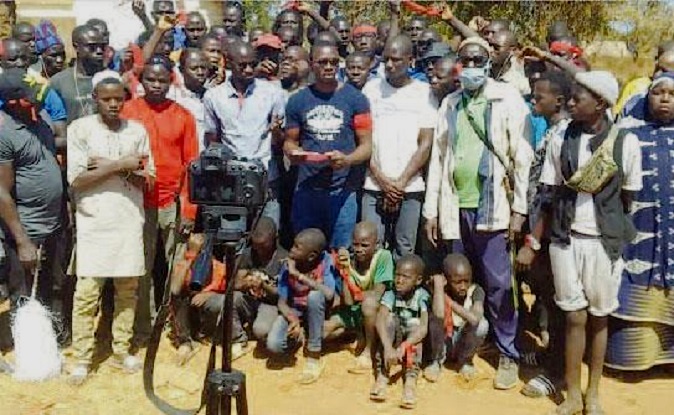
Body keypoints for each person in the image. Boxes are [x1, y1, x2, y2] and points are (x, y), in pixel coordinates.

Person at [424, 37, 533, 390]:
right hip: (456, 209)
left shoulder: (508, 99)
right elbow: (439, 161)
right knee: (460, 284)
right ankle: (455, 350)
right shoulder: (451, 104)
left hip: (494, 208)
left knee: (500, 285)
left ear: (488, 63)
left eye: (478, 60)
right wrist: (431, 211)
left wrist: (519, 211)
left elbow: (523, 158)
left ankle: (507, 353)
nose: (471, 66)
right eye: (465, 60)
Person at [532, 71, 642, 415]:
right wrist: (535, 240)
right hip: (565, 241)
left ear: (600, 104)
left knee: (599, 318)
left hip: (602, 244)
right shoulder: (560, 137)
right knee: (574, 317)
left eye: (579, 98)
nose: (572, 102)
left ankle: (594, 393)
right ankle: (573, 393)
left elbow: (629, 199)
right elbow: (548, 195)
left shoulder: (625, 143)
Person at [66, 73, 153, 385]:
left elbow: (147, 178)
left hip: (128, 218)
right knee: (87, 294)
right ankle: (82, 357)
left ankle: (121, 349)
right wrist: (121, 165)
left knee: (127, 291)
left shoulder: (137, 131)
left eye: (119, 98)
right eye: (107, 99)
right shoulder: (81, 129)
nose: (114, 104)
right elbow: (76, 179)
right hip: (94, 222)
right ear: (95, 99)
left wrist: (106, 165)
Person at [120, 55, 199, 346]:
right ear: (141, 81)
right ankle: (143, 330)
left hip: (173, 203)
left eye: (161, 80)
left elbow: (192, 166)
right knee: (140, 268)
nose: (155, 85)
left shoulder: (183, 116)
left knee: (178, 269)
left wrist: (189, 211)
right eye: (150, 79)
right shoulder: (128, 112)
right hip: (137, 202)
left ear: (171, 81)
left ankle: (180, 331)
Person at [605, 73, 674, 371]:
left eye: (672, 94)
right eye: (659, 92)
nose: (665, 98)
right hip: (638, 238)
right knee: (636, 314)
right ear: (647, 97)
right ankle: (635, 361)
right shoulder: (626, 133)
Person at [516, 70, 572, 399]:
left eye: (539, 97)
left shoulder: (563, 136)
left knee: (558, 302)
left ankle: (558, 373)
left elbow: (552, 197)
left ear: (559, 101)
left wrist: (534, 241)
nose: (534, 101)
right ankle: (551, 356)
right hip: (542, 231)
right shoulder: (552, 131)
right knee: (548, 301)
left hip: (553, 235)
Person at [283, 42, 372, 249]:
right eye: (323, 62)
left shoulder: (356, 99)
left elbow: (367, 146)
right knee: (306, 252)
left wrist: (347, 159)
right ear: (312, 64)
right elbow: (289, 141)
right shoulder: (298, 101)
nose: (329, 66)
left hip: (342, 192)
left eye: (334, 61)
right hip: (307, 189)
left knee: (341, 254)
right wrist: (292, 153)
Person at [362, 35, 435, 260]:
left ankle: (399, 295)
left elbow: (425, 142)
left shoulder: (424, 92)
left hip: (410, 186)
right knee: (371, 248)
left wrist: (401, 182)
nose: (390, 65)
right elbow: (363, 139)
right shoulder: (371, 89)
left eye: (396, 60)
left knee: (405, 249)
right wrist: (382, 180)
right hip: (373, 184)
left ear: (411, 61)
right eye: (386, 61)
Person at [203, 41, 285, 227]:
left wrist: (277, 131)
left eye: (252, 64)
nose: (248, 70)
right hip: (230, 179)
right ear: (228, 62)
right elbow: (212, 138)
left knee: (264, 237)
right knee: (232, 237)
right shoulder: (213, 97)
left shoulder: (273, 93)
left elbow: (280, 141)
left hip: (265, 177)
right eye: (242, 65)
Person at [0, 68, 63, 311]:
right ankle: (24, 347)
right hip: (27, 230)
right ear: (16, 102)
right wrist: (23, 241)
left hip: (53, 226)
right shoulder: (5, 133)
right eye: (34, 97)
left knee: (50, 290)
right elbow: (2, 192)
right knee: (24, 298)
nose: (42, 100)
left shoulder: (40, 121)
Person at [267, 228, 338, 384]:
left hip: (318, 309)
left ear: (311, 256)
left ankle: (314, 355)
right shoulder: (288, 264)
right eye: (293, 245)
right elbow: (282, 302)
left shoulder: (325, 262)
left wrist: (298, 276)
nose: (292, 249)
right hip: (296, 309)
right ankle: (301, 335)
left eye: (297, 247)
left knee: (314, 296)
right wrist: (292, 320)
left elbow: (329, 294)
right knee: (274, 345)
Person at [324, 222, 393, 373]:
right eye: (355, 245)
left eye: (365, 245)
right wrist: (344, 271)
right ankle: (356, 334)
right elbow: (348, 301)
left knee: (369, 304)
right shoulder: (351, 261)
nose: (359, 250)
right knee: (322, 333)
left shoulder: (383, 257)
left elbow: (377, 293)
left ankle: (368, 350)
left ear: (376, 244)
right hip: (354, 311)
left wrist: (358, 295)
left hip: (375, 312)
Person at [217, 217, 289, 358]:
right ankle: (238, 339)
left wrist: (263, 286)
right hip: (250, 302)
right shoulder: (248, 254)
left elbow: (283, 296)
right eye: (256, 246)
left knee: (261, 330)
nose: (259, 250)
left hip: (272, 305)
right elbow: (235, 284)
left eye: (264, 246)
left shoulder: (284, 259)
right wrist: (247, 283)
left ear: (275, 238)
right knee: (230, 298)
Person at [370, 254, 428, 409]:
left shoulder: (421, 296)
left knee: (415, 326)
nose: (399, 280)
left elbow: (423, 328)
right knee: (387, 320)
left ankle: (410, 380)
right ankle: (383, 374)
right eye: (397, 275)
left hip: (409, 341)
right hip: (393, 338)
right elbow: (380, 319)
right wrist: (388, 348)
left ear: (418, 280)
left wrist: (404, 346)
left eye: (406, 277)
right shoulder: (391, 294)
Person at [425, 254, 488, 382]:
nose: (463, 286)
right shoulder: (438, 289)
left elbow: (474, 319)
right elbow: (439, 314)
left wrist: (447, 300)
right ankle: (436, 361)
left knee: (482, 325)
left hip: (462, 341)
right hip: (442, 343)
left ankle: (465, 361)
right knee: (434, 320)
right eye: (457, 282)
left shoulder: (476, 291)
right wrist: (438, 288)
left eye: (467, 280)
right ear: (446, 279)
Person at [50, 24, 105, 124]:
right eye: (92, 47)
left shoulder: (110, 78)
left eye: (102, 46)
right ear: (77, 47)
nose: (99, 51)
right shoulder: (58, 82)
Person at [169, 48, 208, 151]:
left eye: (203, 68)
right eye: (194, 68)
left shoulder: (213, 96)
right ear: (182, 70)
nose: (200, 72)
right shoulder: (172, 97)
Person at [490, 30, 530, 96]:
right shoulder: (484, 73)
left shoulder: (519, 84)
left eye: (496, 48)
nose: (491, 50)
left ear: (512, 50)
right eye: (490, 45)